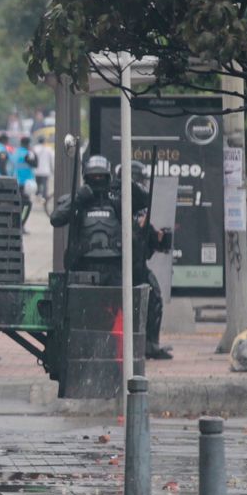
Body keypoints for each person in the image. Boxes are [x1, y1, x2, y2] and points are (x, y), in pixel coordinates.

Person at [50, 154, 121, 285]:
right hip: (82, 266)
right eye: (94, 176)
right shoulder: (78, 200)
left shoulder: (116, 202)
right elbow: (56, 219)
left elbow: (145, 202)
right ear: (86, 178)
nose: (97, 179)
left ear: (108, 177)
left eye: (101, 176)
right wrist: (77, 198)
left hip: (114, 269)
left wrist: (126, 185)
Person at [129, 161, 174, 359]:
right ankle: (147, 345)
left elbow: (147, 239)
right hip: (125, 266)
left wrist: (158, 237)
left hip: (138, 264)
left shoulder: (140, 208)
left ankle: (150, 343)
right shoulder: (120, 203)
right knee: (151, 296)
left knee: (154, 297)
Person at [14, 138, 37, 226]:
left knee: (18, 203)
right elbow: (35, 164)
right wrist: (33, 152)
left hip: (16, 180)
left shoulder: (16, 152)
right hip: (25, 183)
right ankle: (21, 224)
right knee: (27, 204)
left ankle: (17, 223)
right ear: (28, 144)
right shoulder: (26, 154)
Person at [33, 136, 55, 213]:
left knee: (37, 183)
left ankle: (37, 195)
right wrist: (52, 170)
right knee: (44, 184)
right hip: (45, 170)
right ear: (44, 141)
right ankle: (44, 197)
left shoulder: (35, 148)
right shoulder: (48, 149)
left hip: (36, 170)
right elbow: (52, 160)